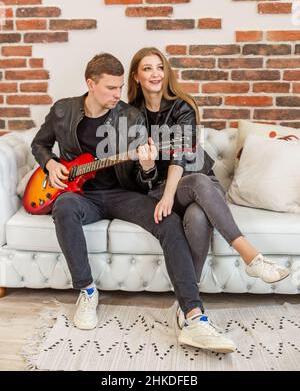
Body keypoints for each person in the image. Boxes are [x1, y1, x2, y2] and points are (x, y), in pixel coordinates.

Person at [31, 52, 236, 354]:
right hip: (82, 195)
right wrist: (50, 164)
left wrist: (148, 167)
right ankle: (87, 291)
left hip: (122, 194)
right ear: (90, 83)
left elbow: (145, 181)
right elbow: (39, 144)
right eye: (111, 88)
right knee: (64, 207)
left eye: (119, 87)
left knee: (168, 222)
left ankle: (193, 315)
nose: (118, 94)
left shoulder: (131, 117)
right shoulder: (63, 110)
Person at [127, 47, 290, 329]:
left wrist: (168, 197)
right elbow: (139, 174)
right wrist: (148, 168)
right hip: (160, 188)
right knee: (198, 184)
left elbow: (181, 154)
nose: (155, 74)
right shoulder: (130, 116)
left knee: (198, 215)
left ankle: (188, 301)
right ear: (136, 76)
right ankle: (251, 256)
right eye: (147, 68)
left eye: (160, 67)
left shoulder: (182, 106)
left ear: (166, 73)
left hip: (195, 184)